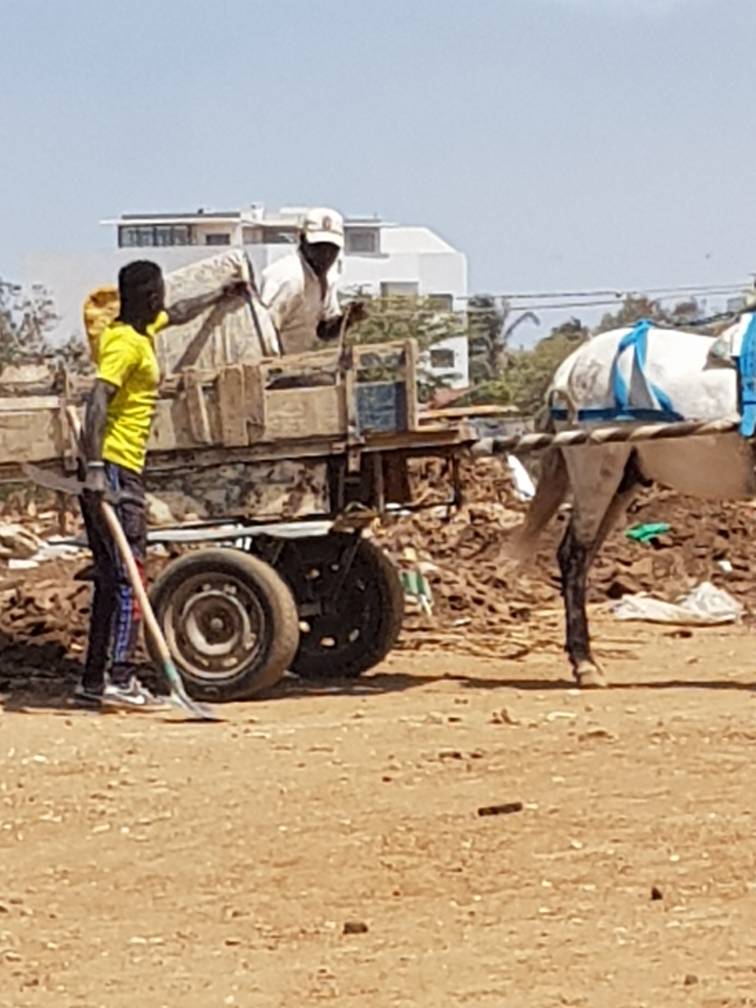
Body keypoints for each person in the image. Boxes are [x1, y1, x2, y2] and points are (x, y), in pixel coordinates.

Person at [75, 259, 247, 709]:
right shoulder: (125, 345)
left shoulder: (144, 327)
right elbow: (96, 404)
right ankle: (120, 678)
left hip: (118, 467)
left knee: (114, 579)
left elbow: (183, 311)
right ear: (151, 297)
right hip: (112, 468)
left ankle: (94, 680)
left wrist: (219, 295)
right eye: (161, 293)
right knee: (130, 575)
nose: (166, 299)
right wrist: (95, 469)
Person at [260, 207, 366, 356]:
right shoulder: (288, 278)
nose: (326, 255)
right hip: (272, 365)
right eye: (319, 247)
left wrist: (347, 319)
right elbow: (262, 331)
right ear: (302, 241)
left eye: (332, 249)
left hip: (301, 363)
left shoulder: (328, 277)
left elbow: (323, 331)